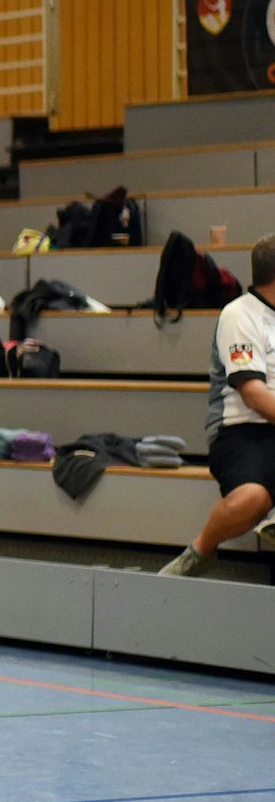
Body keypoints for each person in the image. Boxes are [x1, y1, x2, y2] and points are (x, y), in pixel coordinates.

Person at [162, 235, 275, 577]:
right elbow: (253, 393)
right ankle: (200, 552)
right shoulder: (239, 314)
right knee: (253, 497)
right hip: (241, 430)